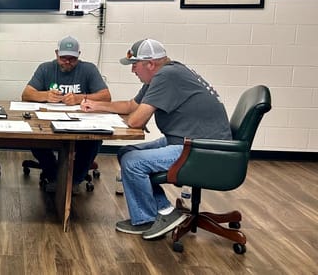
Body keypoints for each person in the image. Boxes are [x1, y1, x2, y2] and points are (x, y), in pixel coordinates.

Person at [81, 39, 231, 240]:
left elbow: (135, 120)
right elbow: (130, 105)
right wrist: (96, 106)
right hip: (187, 141)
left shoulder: (166, 76)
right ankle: (165, 211)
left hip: (203, 148)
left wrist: (117, 120)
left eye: (135, 65)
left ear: (150, 64)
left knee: (133, 162)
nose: (133, 70)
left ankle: (147, 220)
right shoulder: (164, 74)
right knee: (126, 152)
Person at [21, 36, 111, 192]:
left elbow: (106, 97)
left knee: (94, 141)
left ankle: (74, 180)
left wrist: (79, 98)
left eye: (72, 59)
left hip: (80, 122)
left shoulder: (88, 69)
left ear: (79, 55)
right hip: (48, 121)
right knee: (33, 137)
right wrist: (45, 96)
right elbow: (26, 94)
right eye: (63, 58)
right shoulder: (45, 68)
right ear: (56, 54)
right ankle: (54, 175)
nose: (67, 62)